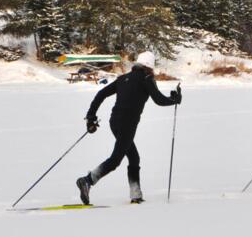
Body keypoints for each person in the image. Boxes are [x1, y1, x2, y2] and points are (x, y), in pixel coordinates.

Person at [77, 51, 182, 204]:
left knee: (134, 158)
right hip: (127, 124)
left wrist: (91, 117)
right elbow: (159, 100)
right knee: (115, 160)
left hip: (115, 122)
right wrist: (174, 100)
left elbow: (101, 94)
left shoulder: (123, 78)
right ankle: (87, 180)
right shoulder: (147, 79)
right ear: (150, 66)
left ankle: (136, 194)